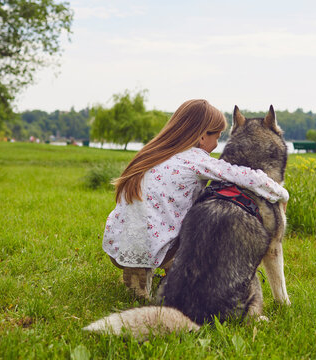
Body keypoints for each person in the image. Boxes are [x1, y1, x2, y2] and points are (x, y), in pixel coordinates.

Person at [102, 99, 289, 299]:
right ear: (201, 137)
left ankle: (137, 276)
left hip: (117, 245)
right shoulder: (196, 159)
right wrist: (281, 193)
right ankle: (155, 275)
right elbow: (244, 176)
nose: (218, 144)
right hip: (155, 248)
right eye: (217, 137)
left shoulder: (153, 153)